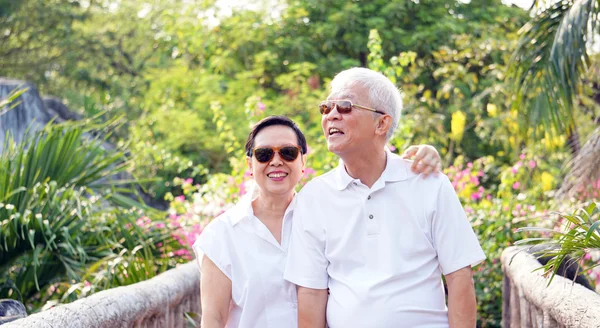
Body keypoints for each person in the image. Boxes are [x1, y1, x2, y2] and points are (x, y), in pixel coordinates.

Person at [193, 115, 442, 328]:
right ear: (250, 164)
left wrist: (425, 157)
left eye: (288, 153)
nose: (276, 161)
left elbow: (376, 183)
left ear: (303, 162)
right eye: (264, 154)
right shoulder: (222, 235)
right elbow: (213, 320)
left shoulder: (330, 214)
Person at [283, 67, 486, 328]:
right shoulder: (314, 197)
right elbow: (311, 292)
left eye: (345, 106)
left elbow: (460, 277)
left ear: (381, 123)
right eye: (327, 107)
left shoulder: (429, 184)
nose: (332, 115)